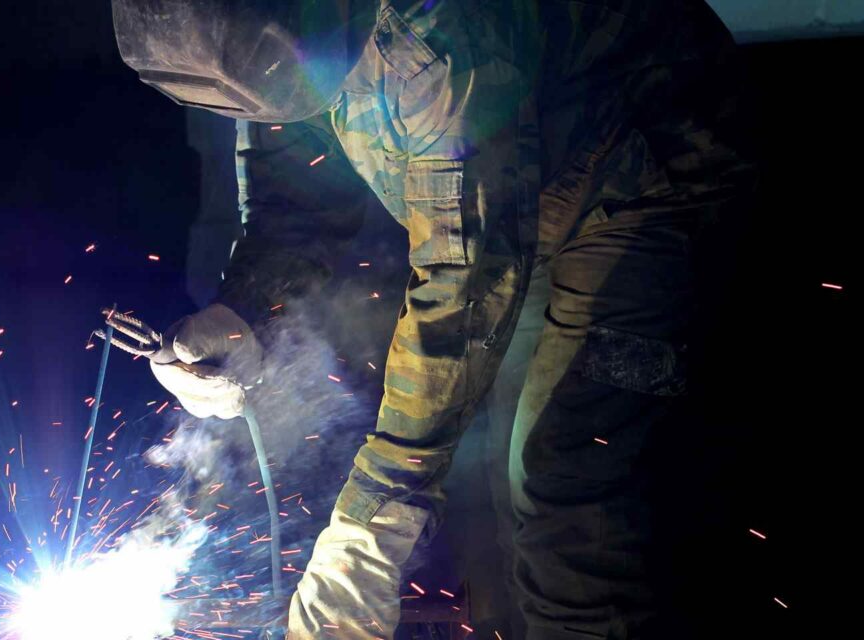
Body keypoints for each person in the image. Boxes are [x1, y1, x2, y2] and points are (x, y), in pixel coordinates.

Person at [111, 1, 754, 638]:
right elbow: (299, 197)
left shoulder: (436, 35)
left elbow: (463, 283)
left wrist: (371, 523)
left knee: (569, 488)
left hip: (651, 181)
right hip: (521, 207)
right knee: (506, 487)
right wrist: (242, 314)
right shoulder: (268, 41)